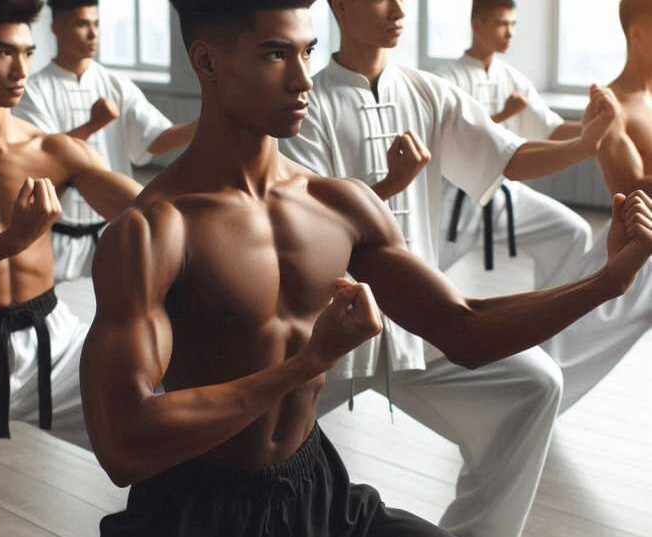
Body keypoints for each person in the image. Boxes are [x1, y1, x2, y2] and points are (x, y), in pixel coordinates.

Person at [80, 1, 652, 536]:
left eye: (307, 53)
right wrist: (309, 362)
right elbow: (124, 446)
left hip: (317, 488)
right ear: (207, 60)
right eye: (276, 54)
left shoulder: (339, 204)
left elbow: (464, 328)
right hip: (195, 510)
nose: (303, 80)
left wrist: (607, 282)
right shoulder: (153, 230)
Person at [279, 1, 621, 536]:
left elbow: (507, 156)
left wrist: (584, 144)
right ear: (340, 6)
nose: (397, 9)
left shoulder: (426, 91)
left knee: (534, 386)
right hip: (325, 338)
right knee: (236, 450)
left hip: (419, 326)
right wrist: (388, 186)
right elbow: (305, 220)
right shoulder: (307, 103)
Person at [0, 0, 142, 482]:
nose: (21, 69)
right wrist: (11, 241)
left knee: (158, 444)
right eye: (4, 52)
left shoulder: (54, 149)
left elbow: (152, 212)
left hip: (56, 343)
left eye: (28, 53)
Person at [14, 0, 197, 282]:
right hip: (56, 235)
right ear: (56, 27)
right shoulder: (33, 91)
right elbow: (42, 160)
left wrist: (204, 124)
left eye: (97, 24)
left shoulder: (115, 84)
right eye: (82, 24)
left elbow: (155, 138)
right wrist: (93, 125)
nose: (93, 33)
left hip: (112, 228)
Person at [543, 0, 652, 411]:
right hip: (635, 246)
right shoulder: (615, 106)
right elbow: (628, 186)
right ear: (638, 35)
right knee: (552, 362)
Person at [436, 0, 590, 286]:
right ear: (477, 24)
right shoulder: (446, 80)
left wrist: (597, 126)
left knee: (573, 232)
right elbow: (457, 144)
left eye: (513, 25)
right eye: (501, 23)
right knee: (418, 269)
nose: (510, 33)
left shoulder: (511, 78)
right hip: (455, 199)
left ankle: (551, 321)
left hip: (503, 193)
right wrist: (505, 114)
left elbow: (551, 129)